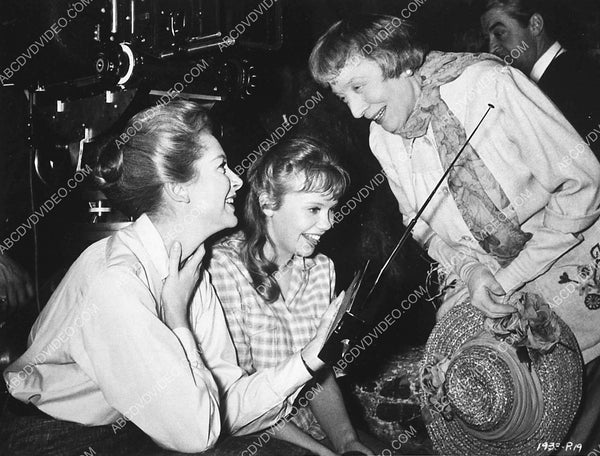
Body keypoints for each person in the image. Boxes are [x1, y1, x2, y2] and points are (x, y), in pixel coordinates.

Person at [309, 13, 600, 453]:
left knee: (557, 423)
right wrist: (471, 272)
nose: (354, 109)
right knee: (472, 398)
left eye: (358, 86)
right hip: (483, 282)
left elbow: (583, 185)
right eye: (340, 95)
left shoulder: (490, 85)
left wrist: (506, 277)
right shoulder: (382, 140)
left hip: (570, 273)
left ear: (396, 61)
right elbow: (420, 226)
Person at [1, 100, 338, 455]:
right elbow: (196, 434)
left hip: (123, 430)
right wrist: (178, 319)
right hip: (50, 438)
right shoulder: (117, 280)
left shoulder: (188, 268)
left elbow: (224, 404)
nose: (238, 180)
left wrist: (308, 360)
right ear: (179, 188)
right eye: (221, 167)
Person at [205, 136, 377, 456]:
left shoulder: (321, 269)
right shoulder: (223, 268)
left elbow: (318, 373)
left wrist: (346, 441)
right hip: (248, 433)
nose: (328, 223)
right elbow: (238, 405)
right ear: (269, 202)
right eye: (314, 208)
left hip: (311, 426)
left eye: (332, 209)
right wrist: (321, 452)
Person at [480, 0, 600, 157]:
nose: (492, 48)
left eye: (499, 33)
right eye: (488, 39)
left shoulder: (576, 79)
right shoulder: (559, 75)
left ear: (535, 25)